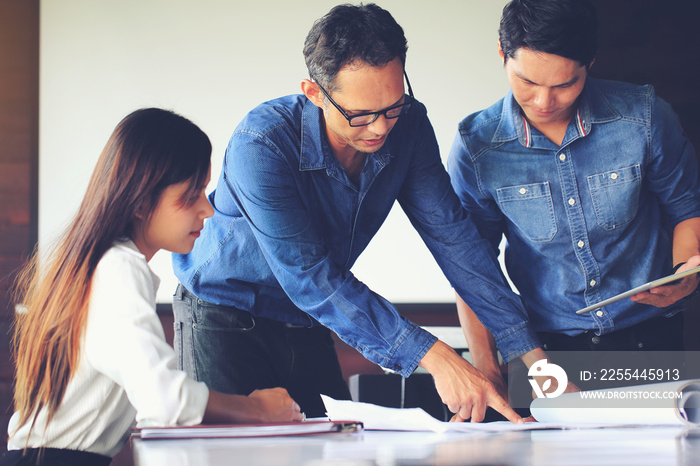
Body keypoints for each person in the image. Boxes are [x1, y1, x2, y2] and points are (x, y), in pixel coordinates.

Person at [173, 3, 525, 423]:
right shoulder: (261, 144)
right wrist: (435, 356)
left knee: (335, 449)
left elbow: (455, 240)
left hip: (308, 318)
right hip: (222, 317)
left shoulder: (409, 125)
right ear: (314, 92)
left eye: (392, 106)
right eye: (359, 114)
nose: (379, 127)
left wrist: (528, 352)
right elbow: (311, 276)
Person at [2, 108, 302, 466]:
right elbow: (165, 399)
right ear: (142, 202)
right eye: (191, 195)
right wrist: (256, 408)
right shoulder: (117, 268)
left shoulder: (93, 263)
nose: (207, 210)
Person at [447, 0, 700, 400]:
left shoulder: (645, 119)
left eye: (565, 84)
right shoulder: (477, 148)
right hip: (545, 354)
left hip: (650, 344)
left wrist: (686, 275)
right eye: (527, 81)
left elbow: (687, 209)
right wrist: (486, 366)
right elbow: (470, 267)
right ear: (502, 53)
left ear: (590, 63)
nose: (544, 102)